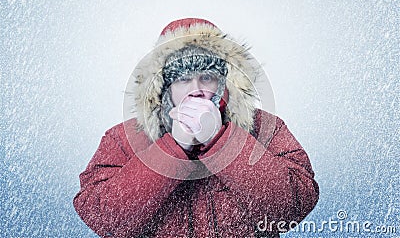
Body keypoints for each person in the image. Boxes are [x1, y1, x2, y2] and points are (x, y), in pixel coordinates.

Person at [73, 18, 319, 238]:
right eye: (182, 79)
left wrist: (221, 141)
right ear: (163, 88)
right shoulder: (124, 139)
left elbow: (293, 206)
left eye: (206, 77)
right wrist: (172, 148)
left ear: (224, 82)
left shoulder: (264, 127)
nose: (196, 88)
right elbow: (103, 218)